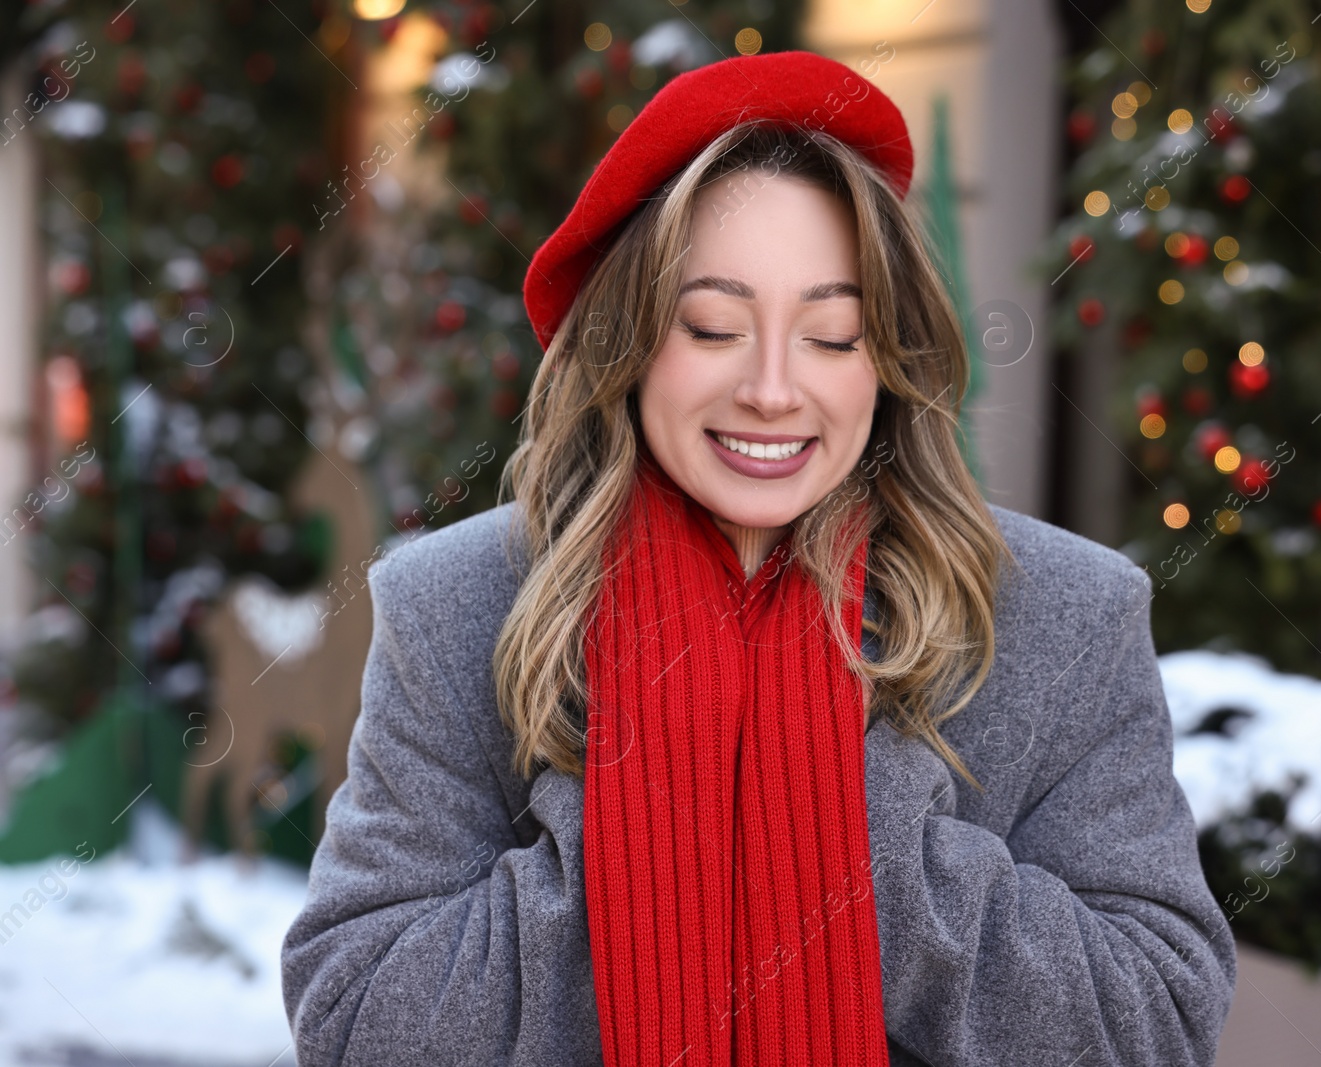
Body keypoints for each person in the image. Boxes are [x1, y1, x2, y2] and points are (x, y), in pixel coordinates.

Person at [281, 50, 1235, 1067]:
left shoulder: (1069, 613)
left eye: (831, 333)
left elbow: (1155, 1018)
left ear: (889, 356)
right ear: (631, 338)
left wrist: (842, 821)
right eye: (714, 325)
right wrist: (645, 820)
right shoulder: (455, 603)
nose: (773, 389)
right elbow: (356, 1013)